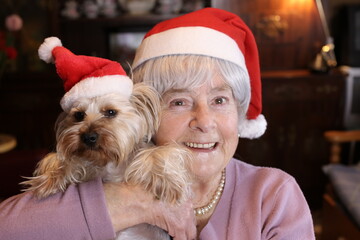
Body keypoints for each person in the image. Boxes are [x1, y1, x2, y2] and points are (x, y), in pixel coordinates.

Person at [0, 8, 315, 240]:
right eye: (179, 102)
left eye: (220, 100)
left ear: (239, 111)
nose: (204, 122)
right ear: (145, 113)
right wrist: (130, 202)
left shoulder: (273, 195)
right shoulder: (97, 173)